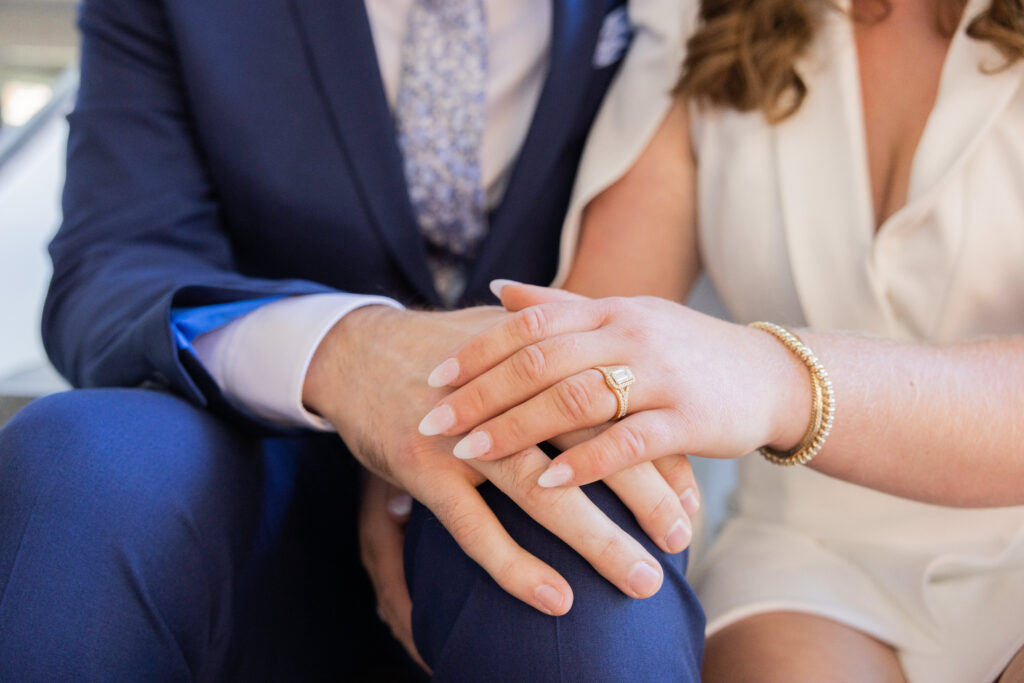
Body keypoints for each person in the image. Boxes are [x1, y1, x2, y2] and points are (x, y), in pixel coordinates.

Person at [0, 0, 708, 680]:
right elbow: (113, 260)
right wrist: (347, 352)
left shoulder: (672, 11)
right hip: (254, 460)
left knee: (585, 552)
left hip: (522, 442)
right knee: (79, 467)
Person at [416, 0, 1024, 680]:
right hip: (807, 555)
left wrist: (774, 378)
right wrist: (441, 439)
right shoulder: (699, 13)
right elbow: (603, 321)